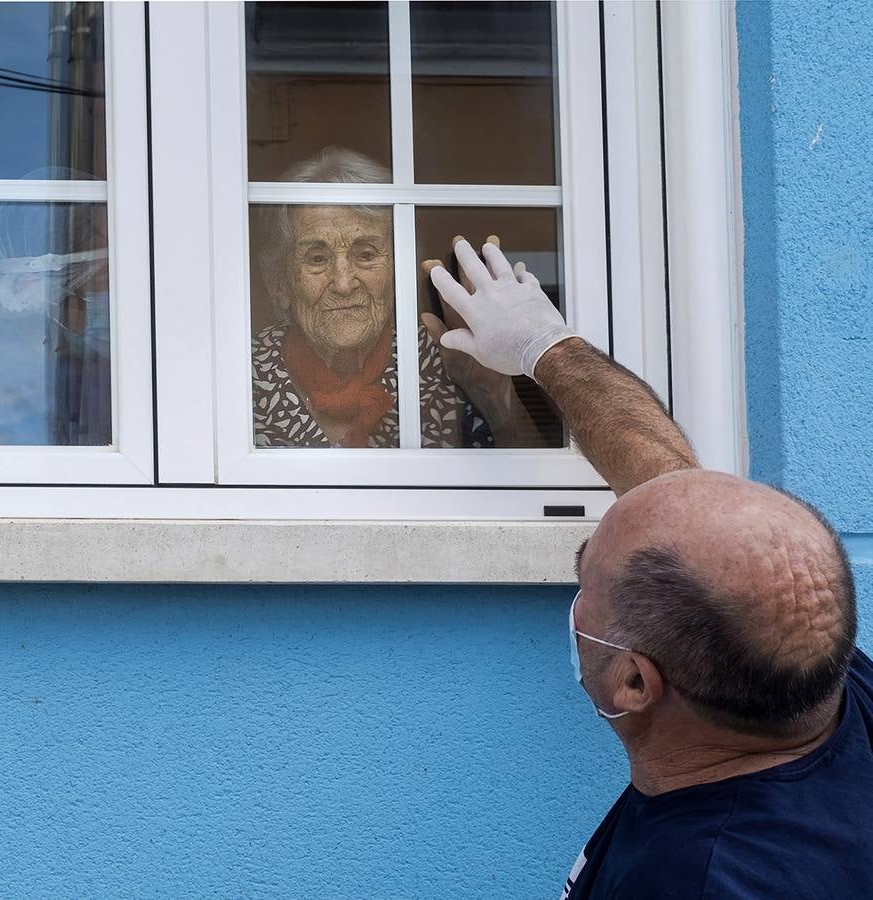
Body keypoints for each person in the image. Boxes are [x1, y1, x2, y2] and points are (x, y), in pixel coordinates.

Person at [423, 238, 873, 898]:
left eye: (586, 582)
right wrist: (545, 345)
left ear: (634, 681)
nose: (577, 603)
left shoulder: (703, 880)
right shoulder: (818, 686)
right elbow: (677, 498)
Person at [252, 147, 545, 448]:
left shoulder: (443, 356)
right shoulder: (243, 374)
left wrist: (494, 392)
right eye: (316, 258)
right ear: (281, 283)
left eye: (366, 254)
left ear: (399, 274)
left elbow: (538, 482)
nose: (342, 283)